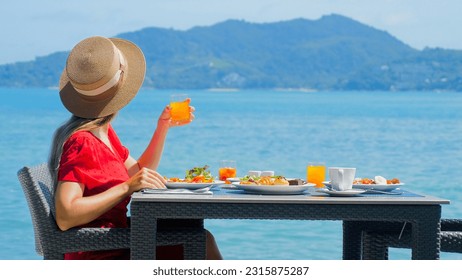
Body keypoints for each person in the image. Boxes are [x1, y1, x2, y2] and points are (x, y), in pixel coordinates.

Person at [48, 36, 223, 260]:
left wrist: (162, 127)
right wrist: (126, 188)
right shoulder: (82, 141)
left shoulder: (104, 132)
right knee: (202, 242)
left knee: (198, 235)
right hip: (103, 251)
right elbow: (66, 215)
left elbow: (139, 170)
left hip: (119, 240)